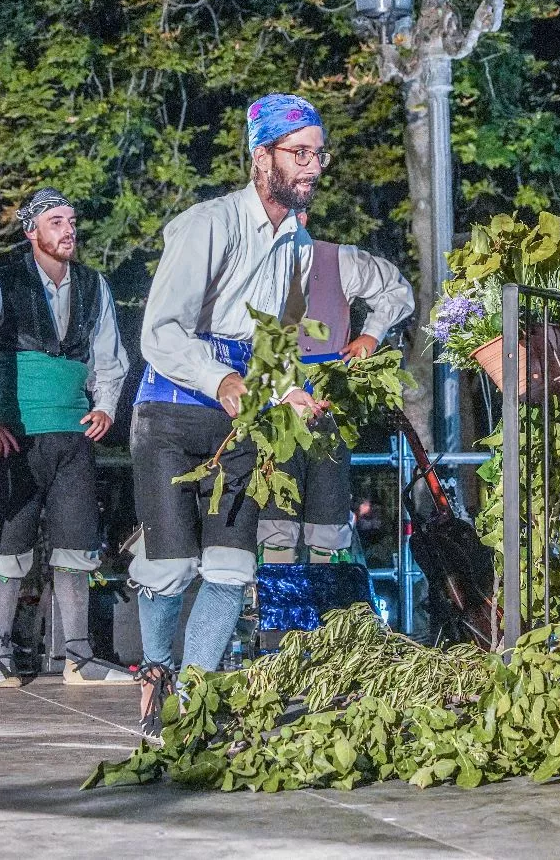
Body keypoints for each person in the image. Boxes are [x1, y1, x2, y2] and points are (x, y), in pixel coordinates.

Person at [129, 93, 329, 737]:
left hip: (240, 419)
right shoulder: (207, 224)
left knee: (231, 568)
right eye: (299, 154)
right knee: (168, 567)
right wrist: (223, 380)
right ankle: (156, 676)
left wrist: (287, 392)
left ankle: (195, 699)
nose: (313, 168)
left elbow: (277, 346)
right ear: (260, 157)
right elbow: (158, 333)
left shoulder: (300, 245)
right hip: (171, 412)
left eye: (319, 155)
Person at [0, 188, 134, 687]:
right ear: (30, 231)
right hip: (19, 433)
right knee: (12, 543)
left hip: (73, 433)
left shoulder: (92, 284)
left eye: (71, 221)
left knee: (76, 543)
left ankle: (78, 655)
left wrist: (104, 405)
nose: (68, 230)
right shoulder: (2, 283)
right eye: (55, 221)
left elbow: (110, 355)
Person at [257, 216, 413, 565]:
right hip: (272, 404)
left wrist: (371, 334)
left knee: (328, 512)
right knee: (275, 513)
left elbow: (397, 290)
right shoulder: (252, 265)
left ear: (303, 218)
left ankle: (326, 607)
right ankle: (275, 607)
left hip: (329, 399)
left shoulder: (337, 259)